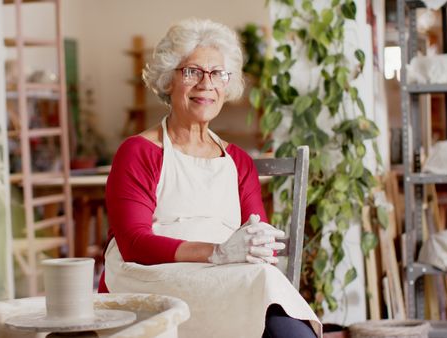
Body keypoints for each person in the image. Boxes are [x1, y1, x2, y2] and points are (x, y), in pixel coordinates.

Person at [99, 18, 321, 338]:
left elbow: (259, 241)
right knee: (265, 289)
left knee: (264, 280)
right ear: (167, 81)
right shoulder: (138, 152)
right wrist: (216, 252)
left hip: (221, 281)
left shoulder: (239, 162)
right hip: (152, 283)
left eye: (217, 73)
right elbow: (134, 245)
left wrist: (256, 246)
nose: (207, 84)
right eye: (192, 72)